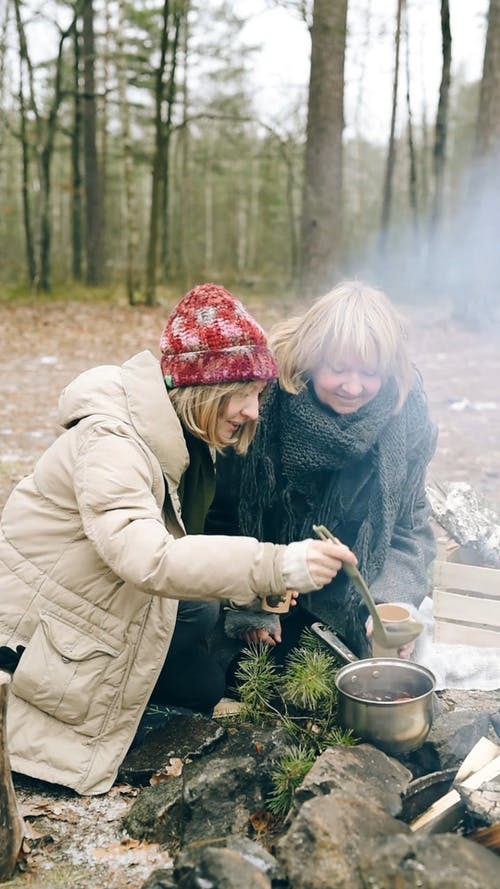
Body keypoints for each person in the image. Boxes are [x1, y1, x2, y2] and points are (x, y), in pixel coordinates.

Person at [0, 283, 356, 795]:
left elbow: (182, 550)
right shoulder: (112, 441)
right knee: (199, 681)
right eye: (247, 393)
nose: (255, 411)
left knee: (203, 666)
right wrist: (276, 565)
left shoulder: (181, 442)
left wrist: (251, 597)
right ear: (203, 389)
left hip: (90, 604)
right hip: (34, 635)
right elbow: (146, 555)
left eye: (259, 395)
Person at [207, 280, 438, 660]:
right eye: (338, 369)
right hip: (267, 588)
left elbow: (408, 529)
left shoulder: (405, 417)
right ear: (311, 359)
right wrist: (248, 603)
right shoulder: (261, 405)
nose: (353, 386)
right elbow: (224, 516)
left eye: (369, 373)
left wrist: (386, 605)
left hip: (353, 596)